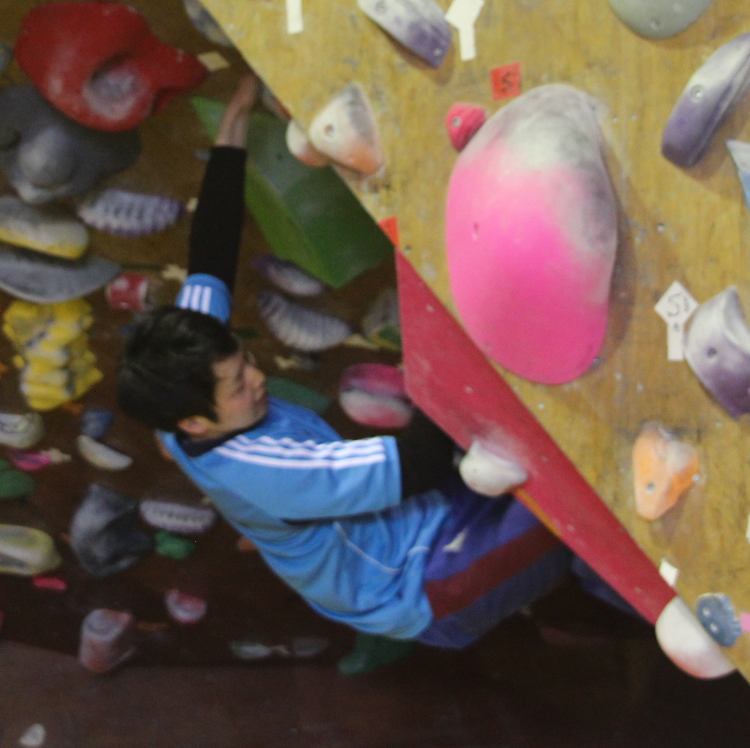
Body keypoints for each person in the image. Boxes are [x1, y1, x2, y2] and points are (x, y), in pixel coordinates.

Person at [118, 75, 621, 668]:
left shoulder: (185, 376)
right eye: (237, 386)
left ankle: (567, 588)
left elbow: (211, 253)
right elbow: (421, 462)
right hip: (420, 583)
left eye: (246, 362)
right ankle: (592, 604)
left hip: (418, 510)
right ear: (195, 424)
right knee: (584, 510)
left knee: (541, 480)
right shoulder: (264, 471)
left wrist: (233, 132)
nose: (256, 379)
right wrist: (462, 329)